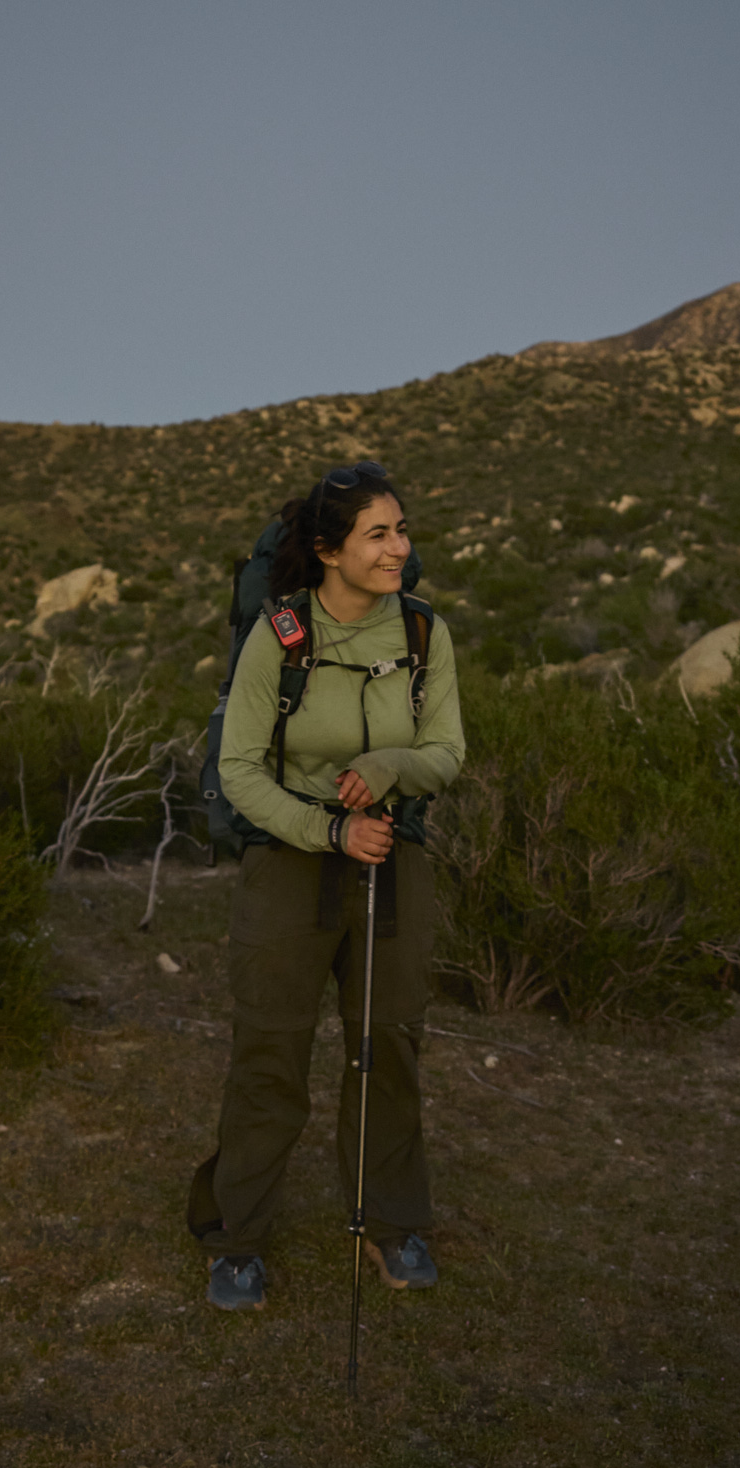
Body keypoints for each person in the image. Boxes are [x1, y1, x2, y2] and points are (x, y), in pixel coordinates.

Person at [187, 460, 465, 1311]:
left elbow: (447, 753)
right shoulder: (279, 636)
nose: (398, 548)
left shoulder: (422, 636)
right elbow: (238, 771)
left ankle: (396, 1227)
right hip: (288, 861)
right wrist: (329, 827)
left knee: (387, 1047)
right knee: (270, 1051)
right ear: (328, 549)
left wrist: (390, 765)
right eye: (377, 533)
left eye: (402, 531)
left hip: (392, 861)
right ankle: (237, 1240)